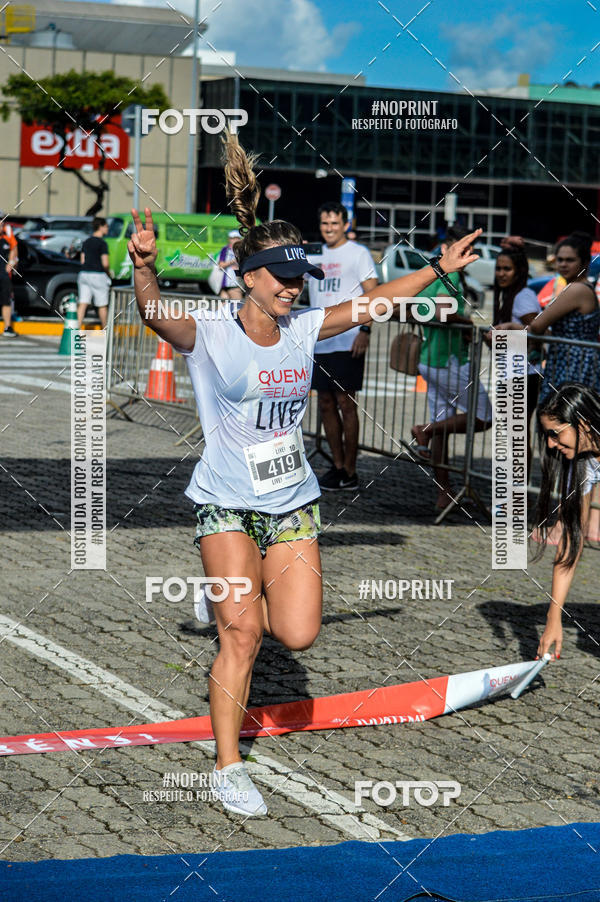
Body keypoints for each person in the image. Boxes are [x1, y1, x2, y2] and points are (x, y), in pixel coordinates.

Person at [128, 132, 481, 817]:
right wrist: (145, 268)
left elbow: (380, 301)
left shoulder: (302, 327)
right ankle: (229, 765)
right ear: (248, 275)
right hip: (226, 501)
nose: (295, 287)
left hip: (292, 501)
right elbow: (151, 311)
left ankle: (224, 597)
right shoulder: (210, 331)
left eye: (301, 278)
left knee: (298, 634)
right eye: (283, 277)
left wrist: (437, 269)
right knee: (244, 635)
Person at [409, 227, 492, 512]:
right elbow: (444, 310)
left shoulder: (429, 271)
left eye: (470, 250)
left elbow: (418, 307)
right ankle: (425, 430)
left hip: (430, 357)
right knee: (485, 416)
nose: (467, 255)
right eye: (463, 249)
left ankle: (444, 493)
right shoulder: (450, 273)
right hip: (448, 359)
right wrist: (467, 323)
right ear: (446, 248)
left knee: (443, 426)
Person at [307, 202, 378, 491]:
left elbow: (374, 294)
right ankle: (336, 466)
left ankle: (351, 469)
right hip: (319, 338)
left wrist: (365, 330)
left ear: (345, 224)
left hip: (348, 339)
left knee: (346, 404)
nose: (329, 229)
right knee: (325, 403)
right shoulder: (312, 252)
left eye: (334, 223)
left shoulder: (358, 253)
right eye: (325, 224)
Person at [533, 383, 600, 659]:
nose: (550, 443)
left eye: (555, 434)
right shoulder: (583, 464)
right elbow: (570, 541)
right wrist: (553, 618)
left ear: (583, 425)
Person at [490, 244, 542, 475]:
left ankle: (518, 490)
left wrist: (512, 328)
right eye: (498, 268)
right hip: (510, 373)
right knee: (512, 435)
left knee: (517, 436)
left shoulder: (524, 296)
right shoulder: (508, 296)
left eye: (507, 269)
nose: (501, 273)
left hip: (524, 375)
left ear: (519, 271)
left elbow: (539, 332)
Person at [77, 217, 112, 328]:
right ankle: (105, 330)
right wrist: (109, 274)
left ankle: (75, 330)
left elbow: (82, 260)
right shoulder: (102, 243)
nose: (107, 229)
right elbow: (105, 263)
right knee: (102, 305)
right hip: (98, 275)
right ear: (100, 227)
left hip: (83, 274)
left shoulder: (86, 241)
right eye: (106, 226)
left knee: (83, 303)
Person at [0, 214, 18, 337]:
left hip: (4, 276)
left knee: (6, 302)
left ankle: (7, 327)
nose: (1, 226)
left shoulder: (7, 237)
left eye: (2, 223)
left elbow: (14, 250)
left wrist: (11, 263)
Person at [218, 229, 243, 300]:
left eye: (237, 238)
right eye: (232, 238)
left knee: (235, 306)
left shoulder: (242, 250)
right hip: (225, 282)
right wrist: (233, 261)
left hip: (236, 282)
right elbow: (221, 265)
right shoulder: (225, 249)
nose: (234, 240)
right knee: (224, 308)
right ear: (229, 239)